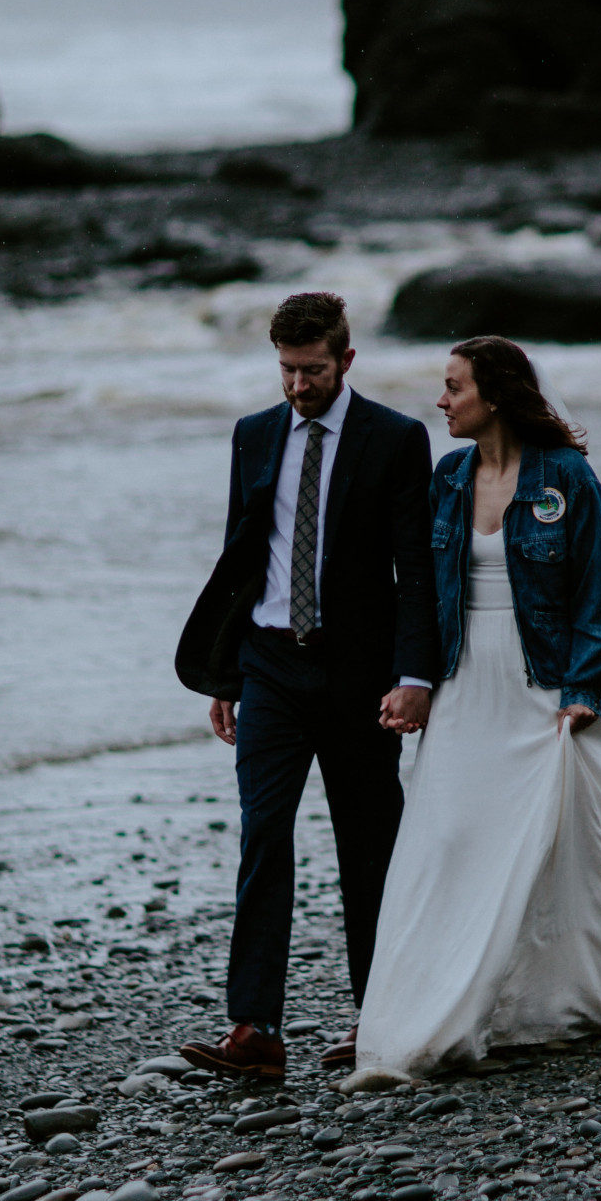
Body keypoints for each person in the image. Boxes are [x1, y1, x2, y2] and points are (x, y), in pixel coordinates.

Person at [352, 336, 601, 1086]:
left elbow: (600, 596)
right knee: (453, 839)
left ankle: (574, 993)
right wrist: (415, 681)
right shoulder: (449, 477)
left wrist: (581, 690)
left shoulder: (566, 479)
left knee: (566, 843)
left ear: (494, 395)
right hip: (467, 685)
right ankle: (442, 1007)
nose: (441, 401)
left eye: (453, 386)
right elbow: (423, 596)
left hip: (546, 684)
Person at [173, 291, 436, 1078]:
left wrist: (415, 676)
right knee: (264, 835)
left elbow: (414, 570)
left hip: (360, 673)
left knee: (368, 845)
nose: (297, 385)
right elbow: (240, 556)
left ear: (345, 361)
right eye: (287, 370)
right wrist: (225, 673)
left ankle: (380, 1016)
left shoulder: (395, 439)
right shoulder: (253, 436)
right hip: (269, 664)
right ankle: (255, 1031)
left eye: (312, 370)